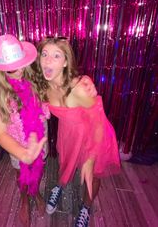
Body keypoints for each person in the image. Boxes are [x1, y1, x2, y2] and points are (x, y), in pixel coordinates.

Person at [33, 37, 121, 227]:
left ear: (65, 62)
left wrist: (89, 160)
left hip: (94, 135)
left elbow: (98, 123)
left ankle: (86, 207)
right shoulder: (42, 86)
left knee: (92, 176)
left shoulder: (79, 89)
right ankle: (60, 185)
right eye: (45, 55)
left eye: (56, 56)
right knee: (65, 163)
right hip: (69, 133)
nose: (48, 60)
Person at [0, 34, 49, 227]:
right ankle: (24, 199)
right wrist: (23, 154)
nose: (19, 71)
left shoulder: (36, 79)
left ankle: (35, 193)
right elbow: (1, 134)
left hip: (39, 138)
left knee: (39, 168)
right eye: (12, 69)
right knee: (20, 173)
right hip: (16, 142)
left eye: (22, 64)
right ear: (0, 69)